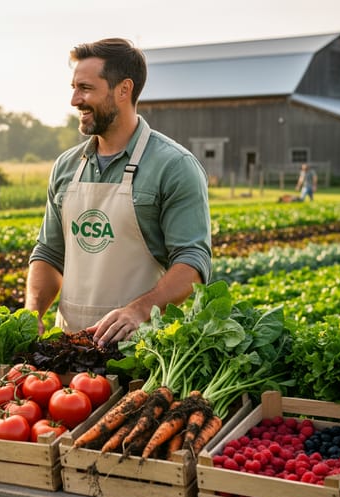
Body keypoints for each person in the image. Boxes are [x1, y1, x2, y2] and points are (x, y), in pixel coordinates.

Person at [24, 38, 211, 345]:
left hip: (141, 349)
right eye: (73, 87)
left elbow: (192, 262)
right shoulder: (66, 166)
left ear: (124, 90)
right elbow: (49, 253)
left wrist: (138, 311)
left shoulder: (174, 166)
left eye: (85, 88)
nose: (74, 100)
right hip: (68, 348)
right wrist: (33, 312)